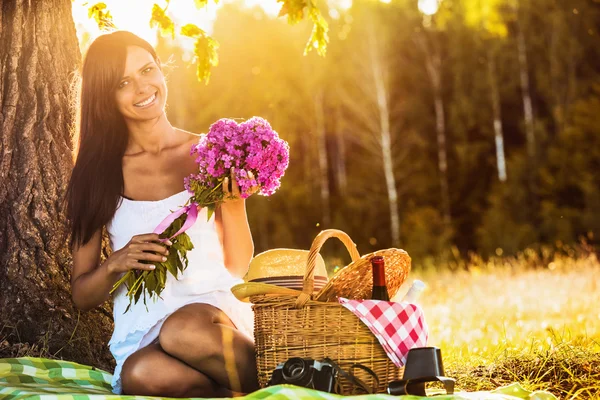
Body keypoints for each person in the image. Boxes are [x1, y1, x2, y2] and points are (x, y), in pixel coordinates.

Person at [65, 30, 259, 397]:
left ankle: (288, 383)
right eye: (124, 82)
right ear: (105, 96)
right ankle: (238, 391)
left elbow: (237, 264)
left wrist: (235, 204)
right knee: (140, 375)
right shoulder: (95, 176)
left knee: (182, 329)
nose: (142, 87)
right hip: (146, 330)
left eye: (148, 70)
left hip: (212, 319)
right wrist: (115, 263)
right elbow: (82, 295)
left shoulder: (208, 153)